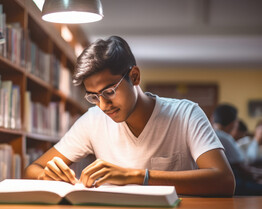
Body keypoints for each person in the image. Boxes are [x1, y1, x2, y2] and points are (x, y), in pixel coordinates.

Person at [23, 36, 235, 196]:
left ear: (134, 76)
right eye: (94, 97)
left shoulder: (186, 114)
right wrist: (47, 176)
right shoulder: (93, 120)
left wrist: (135, 176)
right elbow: (32, 170)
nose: (104, 105)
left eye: (109, 92)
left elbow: (225, 181)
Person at [212, 105, 262, 195]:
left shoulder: (210, 134)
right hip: (235, 184)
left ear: (213, 118)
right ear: (234, 123)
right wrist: (258, 174)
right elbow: (242, 168)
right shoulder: (225, 138)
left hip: (218, 183)